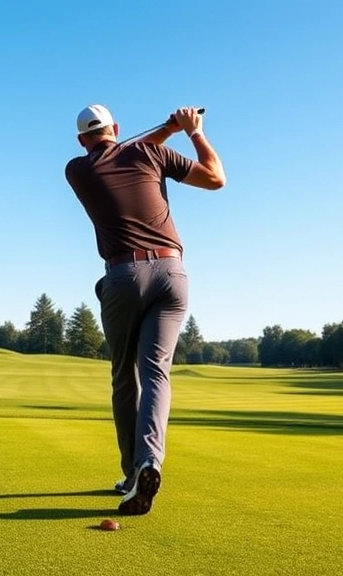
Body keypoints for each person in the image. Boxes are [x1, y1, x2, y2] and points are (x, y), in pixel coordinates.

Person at [64, 104, 226, 515]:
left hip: (123, 276)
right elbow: (215, 179)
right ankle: (151, 460)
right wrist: (191, 131)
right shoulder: (151, 154)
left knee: (124, 377)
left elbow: (123, 152)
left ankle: (133, 471)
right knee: (156, 373)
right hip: (173, 273)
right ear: (115, 128)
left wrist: (167, 130)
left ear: (82, 140)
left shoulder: (77, 170)